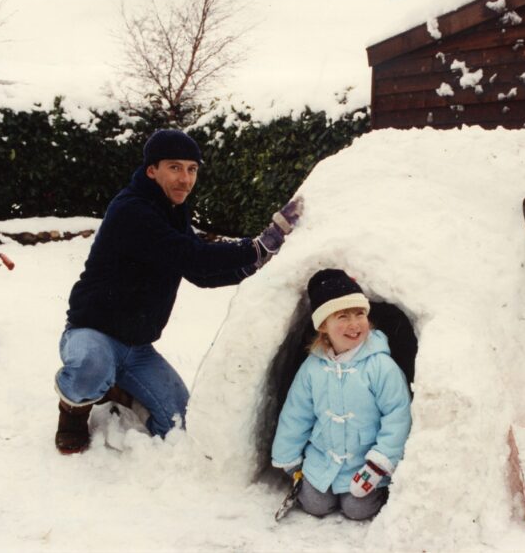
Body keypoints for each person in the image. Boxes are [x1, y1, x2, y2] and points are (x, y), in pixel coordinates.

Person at [54, 129, 302, 454]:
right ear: (151, 170)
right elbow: (188, 253)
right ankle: (73, 412)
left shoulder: (173, 212)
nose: (185, 179)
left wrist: (249, 267)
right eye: (175, 167)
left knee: (179, 425)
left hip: (137, 347)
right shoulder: (132, 209)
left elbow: (198, 272)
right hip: (93, 333)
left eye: (192, 169)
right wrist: (256, 247)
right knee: (91, 366)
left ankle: (117, 390)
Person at [271, 269, 412, 520]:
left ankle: (379, 491)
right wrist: (290, 459)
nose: (354, 324)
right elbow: (297, 413)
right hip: (323, 457)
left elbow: (398, 415)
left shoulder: (380, 366)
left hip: (365, 460)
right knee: (315, 504)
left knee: (357, 508)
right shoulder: (313, 368)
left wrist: (378, 464)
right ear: (324, 325)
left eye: (360, 314)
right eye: (342, 316)